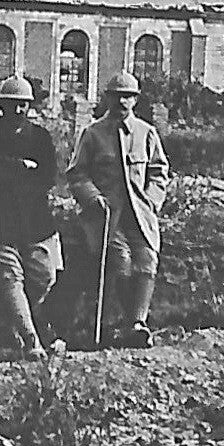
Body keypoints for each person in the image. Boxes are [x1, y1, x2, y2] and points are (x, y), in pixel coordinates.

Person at [65, 71, 170, 349]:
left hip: (139, 215)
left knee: (147, 259)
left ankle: (138, 323)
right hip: (106, 217)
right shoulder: (93, 133)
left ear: (136, 100)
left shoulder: (147, 133)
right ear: (107, 98)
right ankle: (116, 324)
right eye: (117, 96)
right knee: (120, 261)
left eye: (129, 96)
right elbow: (77, 174)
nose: (123, 101)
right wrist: (92, 197)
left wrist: (152, 199)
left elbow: (159, 172)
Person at [0, 75, 63, 360]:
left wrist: (14, 172)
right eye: (12, 105)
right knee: (10, 277)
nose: (18, 110)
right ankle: (30, 339)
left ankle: (17, 320)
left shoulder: (40, 138)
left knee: (44, 275)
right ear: (1, 106)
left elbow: (48, 175)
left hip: (35, 221)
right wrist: (22, 167)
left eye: (23, 105)